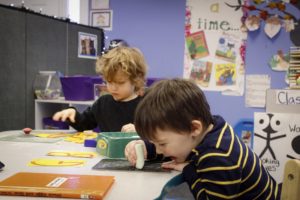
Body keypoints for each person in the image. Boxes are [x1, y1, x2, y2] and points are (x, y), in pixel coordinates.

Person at [125, 78, 281, 200]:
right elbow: (177, 143)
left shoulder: (218, 157)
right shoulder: (211, 128)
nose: (159, 150)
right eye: (155, 143)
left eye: (162, 144)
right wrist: (146, 147)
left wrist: (189, 170)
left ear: (194, 128)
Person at [52, 46, 147, 132]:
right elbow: (84, 124)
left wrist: (140, 131)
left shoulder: (146, 106)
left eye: (120, 83)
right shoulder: (103, 103)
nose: (113, 88)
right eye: (109, 82)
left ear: (136, 79)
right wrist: (72, 114)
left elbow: (158, 134)